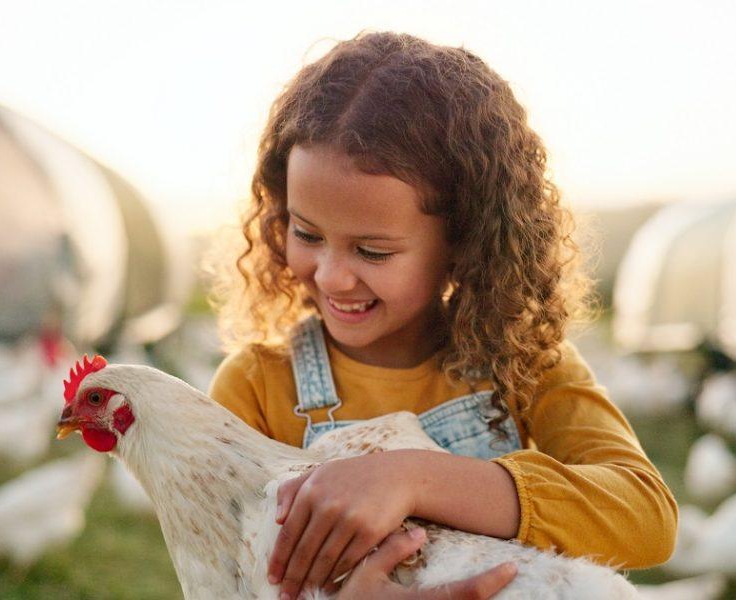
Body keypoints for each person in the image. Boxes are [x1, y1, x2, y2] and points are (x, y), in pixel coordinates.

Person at [208, 31, 677, 600]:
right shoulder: (256, 389)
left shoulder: (523, 364)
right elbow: (221, 581)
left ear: (464, 244)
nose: (331, 276)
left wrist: (413, 479)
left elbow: (646, 516)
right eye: (306, 234)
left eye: (372, 251)